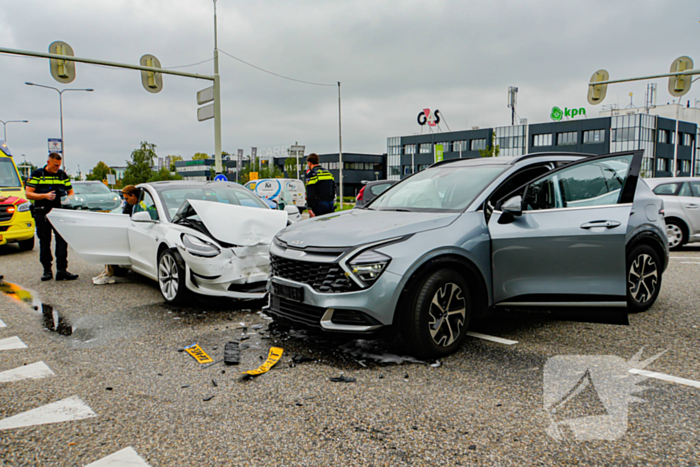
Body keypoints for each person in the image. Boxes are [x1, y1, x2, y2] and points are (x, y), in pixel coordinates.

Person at [25, 153, 78, 282]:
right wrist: (45, 196)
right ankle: (47, 270)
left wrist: (68, 198)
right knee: (45, 241)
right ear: (48, 162)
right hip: (42, 212)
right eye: (55, 165)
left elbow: (70, 191)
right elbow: (28, 194)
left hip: (58, 212)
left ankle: (62, 271)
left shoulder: (62, 175)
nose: (57, 167)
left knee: (61, 241)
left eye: (59, 165)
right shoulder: (38, 174)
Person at [92, 185, 141, 285]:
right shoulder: (129, 205)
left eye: (127, 198)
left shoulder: (143, 205)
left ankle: (108, 274)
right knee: (112, 241)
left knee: (114, 244)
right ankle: (107, 272)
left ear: (133, 196)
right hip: (131, 232)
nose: (126, 201)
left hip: (139, 232)